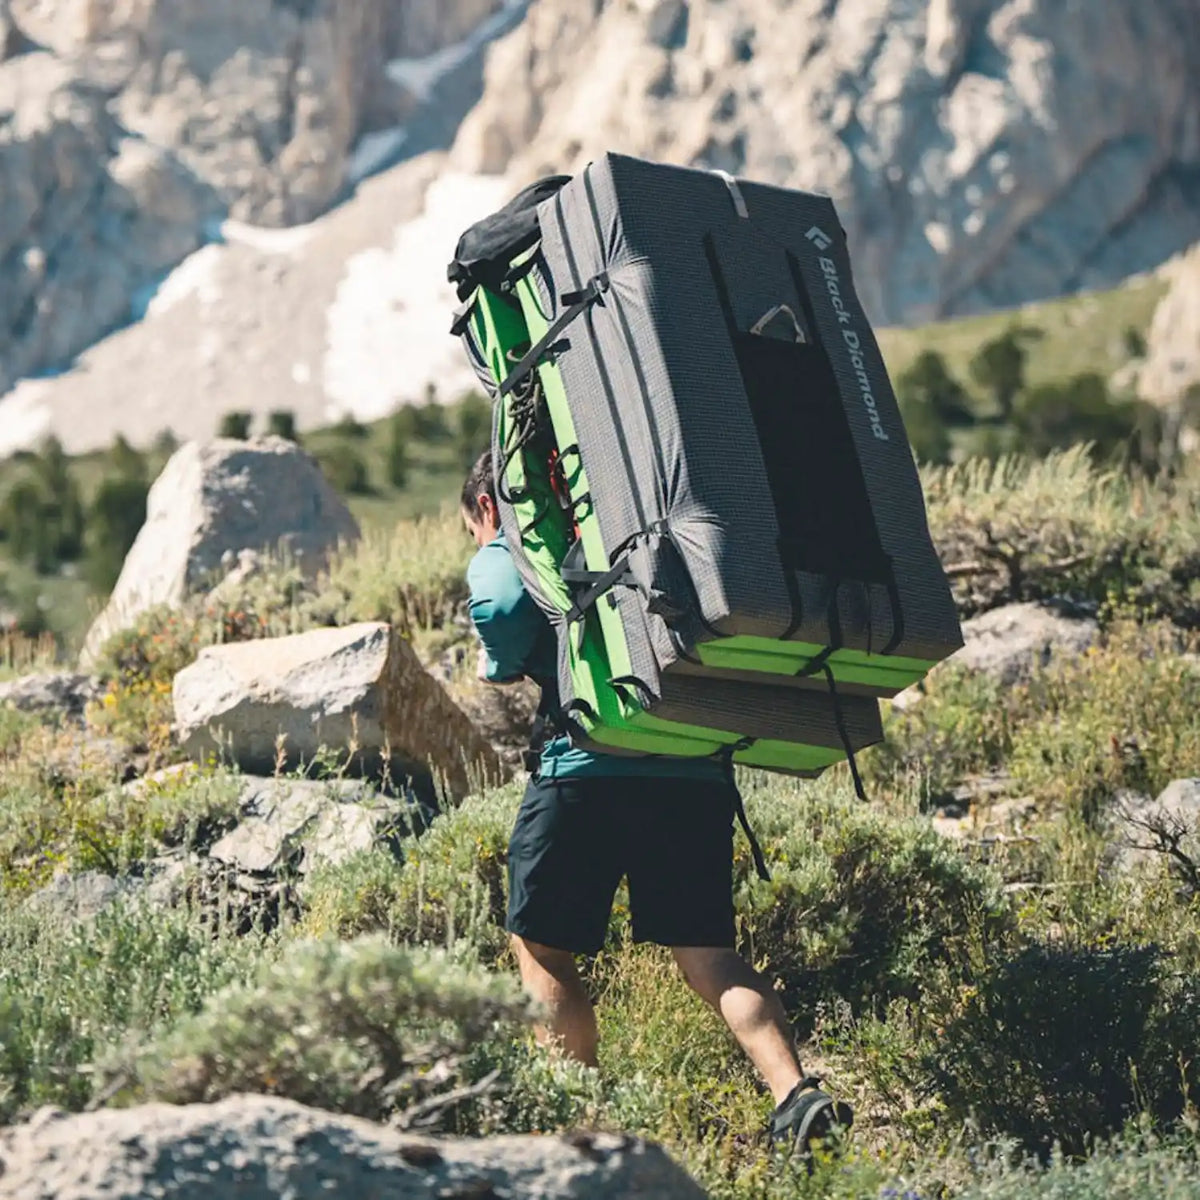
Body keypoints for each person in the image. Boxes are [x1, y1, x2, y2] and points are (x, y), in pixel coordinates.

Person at [460, 450, 852, 1154]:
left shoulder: (519, 542)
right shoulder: (640, 518)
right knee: (710, 957)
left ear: (490, 507)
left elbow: (503, 616)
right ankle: (796, 1095)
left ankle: (577, 1134)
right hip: (694, 772)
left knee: (544, 951)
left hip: (582, 766)